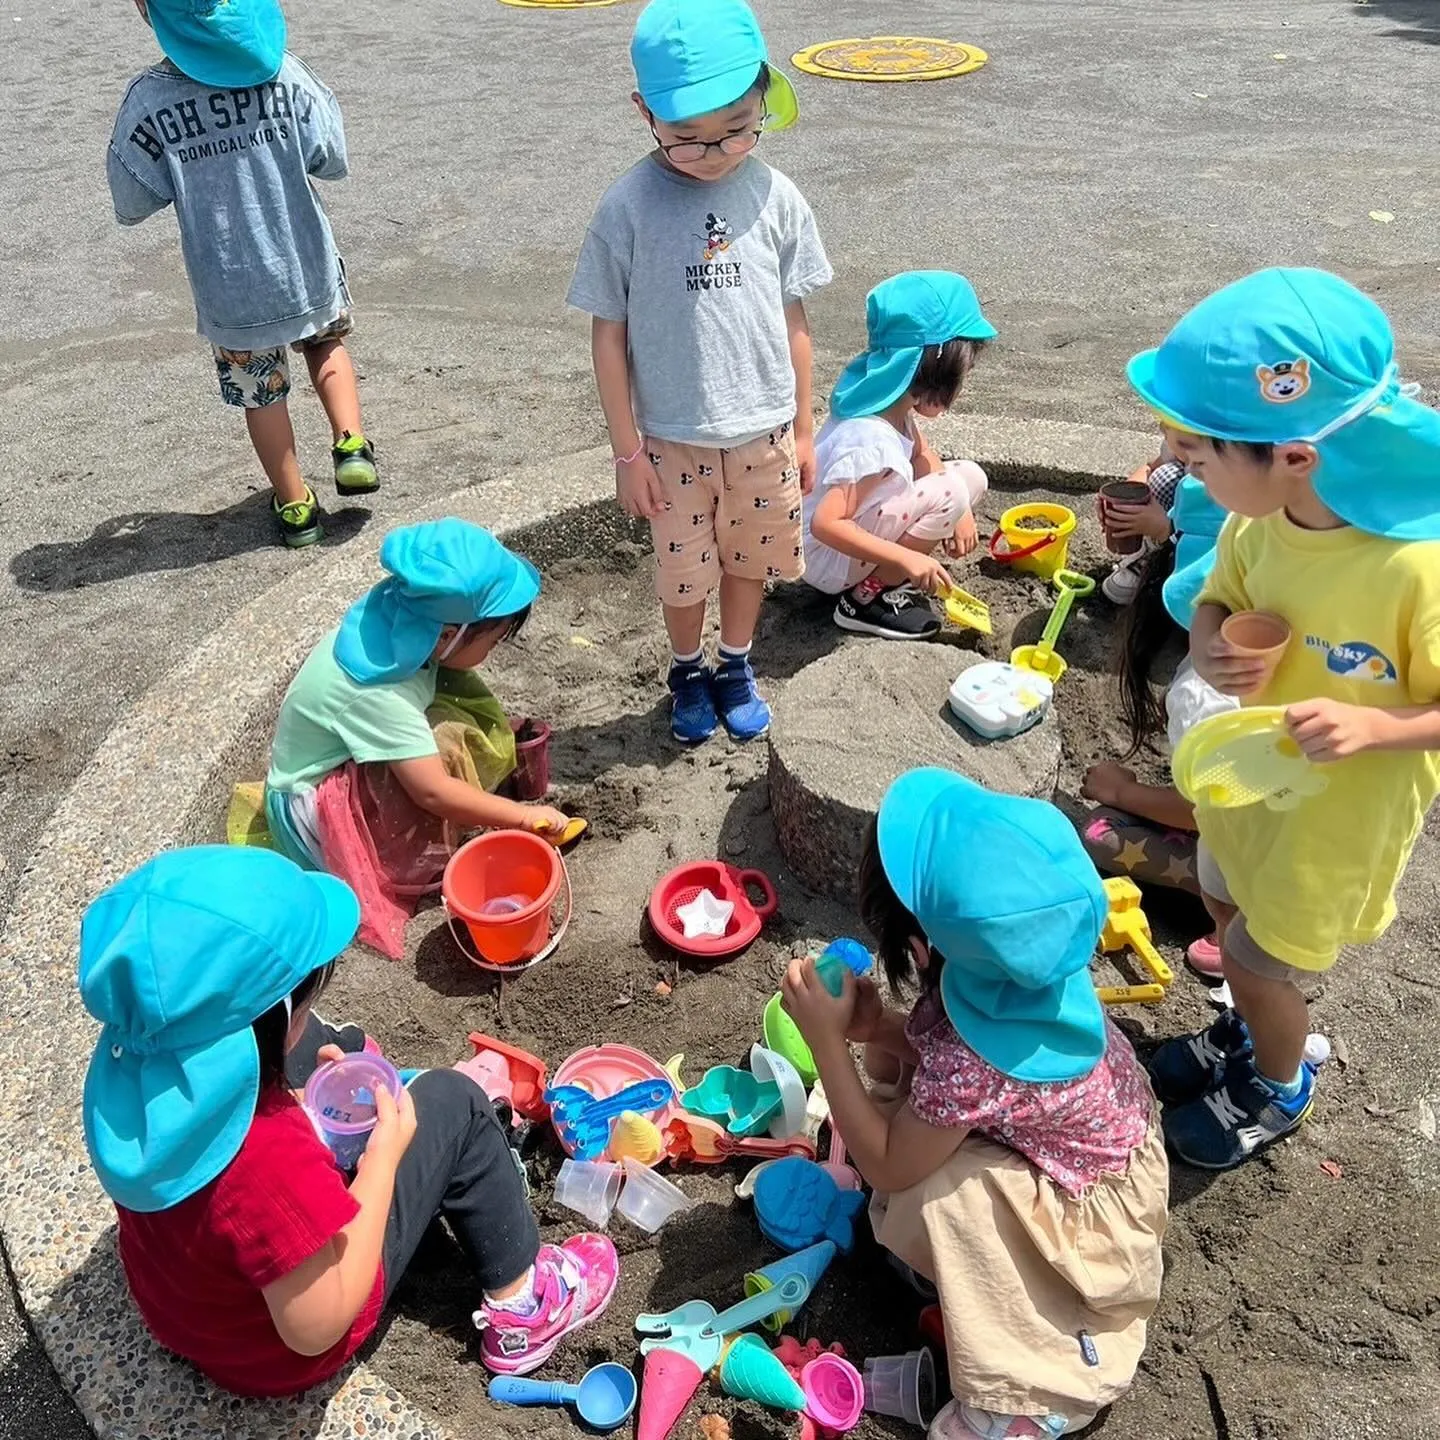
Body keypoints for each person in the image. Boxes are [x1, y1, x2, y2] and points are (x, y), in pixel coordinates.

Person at [79, 847, 618, 1395]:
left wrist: (304, 1102)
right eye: (305, 1003)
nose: (309, 1012)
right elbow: (317, 1323)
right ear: (274, 1017)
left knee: (332, 1045)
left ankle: (329, 1077)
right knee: (455, 1103)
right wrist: (380, 1162)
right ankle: (525, 1308)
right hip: (274, 1352)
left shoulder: (129, 1067)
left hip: (192, 1311)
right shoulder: (266, 1162)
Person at [1127, 267, 1440, 1169]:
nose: (1186, 476)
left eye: (1198, 460)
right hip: (1252, 786)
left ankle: (1280, 1082)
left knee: (1265, 961)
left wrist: (1377, 729)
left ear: (1295, 456)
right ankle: (1249, 1030)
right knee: (1222, 899)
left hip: (1336, 820)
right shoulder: (1256, 525)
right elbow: (1217, 601)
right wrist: (1215, 635)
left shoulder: (1412, 570)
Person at [782, 770, 1168, 1440]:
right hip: (1104, 1156)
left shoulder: (973, 1059)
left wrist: (825, 1045)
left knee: (938, 1194)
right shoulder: (1027, 960)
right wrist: (876, 1031)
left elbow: (889, 1163)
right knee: (912, 1132)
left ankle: (1021, 1400)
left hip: (1090, 1221)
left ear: (921, 946)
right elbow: (954, 1071)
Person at [567, 0, 832, 743]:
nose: (714, 152)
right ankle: (687, 666)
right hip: (673, 439)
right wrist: (626, 452)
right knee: (683, 572)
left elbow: (795, 322)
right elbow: (608, 334)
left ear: (763, 97)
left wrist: (806, 427)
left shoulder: (776, 196)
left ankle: (736, 662)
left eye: (737, 129)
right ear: (643, 111)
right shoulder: (628, 206)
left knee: (750, 558)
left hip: (764, 427)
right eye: (688, 137)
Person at [107, 0, 378, 548]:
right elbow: (330, 153)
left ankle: (297, 505)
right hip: (303, 262)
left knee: (262, 395)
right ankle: (350, 443)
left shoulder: (149, 99)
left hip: (228, 282)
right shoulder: (284, 71)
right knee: (326, 349)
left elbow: (132, 197)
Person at [266, 520, 571, 957]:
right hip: (311, 809)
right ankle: (400, 857)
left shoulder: (401, 619)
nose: (493, 652)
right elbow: (432, 791)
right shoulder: (379, 693)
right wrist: (520, 817)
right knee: (444, 751)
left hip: (339, 753)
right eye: (494, 640)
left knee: (451, 710)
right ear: (449, 635)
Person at [1079, 474, 1239, 976]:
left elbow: (1213, 809)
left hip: (1262, 862)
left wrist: (1126, 794)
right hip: (1318, 838)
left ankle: (1234, 924)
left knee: (1100, 830)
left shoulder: (1202, 691)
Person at [803, 272, 995, 640]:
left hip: (854, 532)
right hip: (827, 559)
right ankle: (866, 600)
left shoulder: (893, 405)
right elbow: (826, 524)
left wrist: (963, 515)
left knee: (969, 478)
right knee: (950, 492)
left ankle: (879, 576)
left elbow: (924, 456)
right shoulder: (871, 438)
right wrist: (906, 559)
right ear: (936, 375)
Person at [1097, 443, 1187, 606]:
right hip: (1175, 519)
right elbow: (1150, 467)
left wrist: (1162, 528)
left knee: (1165, 479)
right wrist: (1126, 497)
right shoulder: (1178, 442)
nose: (1162, 428)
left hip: (1200, 548)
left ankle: (1157, 560)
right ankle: (1144, 546)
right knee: (1160, 476)